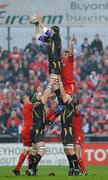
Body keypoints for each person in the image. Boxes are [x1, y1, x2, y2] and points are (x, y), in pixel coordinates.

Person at [46, 34, 87, 176]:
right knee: (59, 103)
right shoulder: (59, 65)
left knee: (63, 101)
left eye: (65, 53)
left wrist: (70, 42)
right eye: (63, 54)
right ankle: (50, 119)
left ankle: (50, 119)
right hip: (65, 90)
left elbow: (70, 50)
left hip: (70, 88)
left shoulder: (69, 60)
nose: (64, 55)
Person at [30, 15, 64, 109]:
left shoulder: (56, 37)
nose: (50, 31)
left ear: (55, 32)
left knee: (53, 82)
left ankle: (44, 102)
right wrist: (36, 25)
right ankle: (61, 103)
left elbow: (48, 32)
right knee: (55, 84)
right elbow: (37, 36)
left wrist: (40, 22)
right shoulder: (49, 39)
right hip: (51, 63)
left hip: (56, 63)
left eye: (52, 30)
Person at [12, 94, 33, 176]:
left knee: (26, 150)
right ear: (24, 100)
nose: (28, 97)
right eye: (26, 97)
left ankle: (17, 169)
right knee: (32, 150)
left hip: (24, 130)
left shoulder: (26, 106)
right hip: (28, 130)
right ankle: (29, 170)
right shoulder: (28, 104)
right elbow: (38, 104)